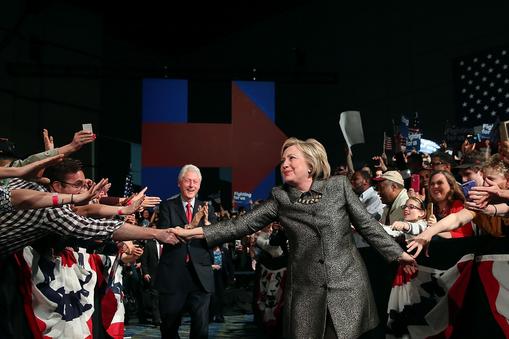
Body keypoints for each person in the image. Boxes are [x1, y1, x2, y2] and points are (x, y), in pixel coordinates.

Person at [171, 138, 416, 339]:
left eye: (291, 158)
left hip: (348, 288)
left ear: (310, 164)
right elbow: (239, 225)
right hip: (305, 293)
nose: (284, 164)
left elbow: (368, 226)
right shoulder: (281, 198)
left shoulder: (339, 187)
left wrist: (399, 254)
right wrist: (192, 232)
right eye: (282, 160)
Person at [156, 164, 217, 339]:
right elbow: (166, 234)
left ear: (199, 185)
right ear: (179, 183)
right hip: (173, 274)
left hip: (200, 276)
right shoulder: (167, 206)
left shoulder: (207, 208)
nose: (191, 185)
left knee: (200, 328)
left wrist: (206, 226)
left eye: (195, 182)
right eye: (188, 181)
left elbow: (215, 236)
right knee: (169, 326)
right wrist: (191, 227)